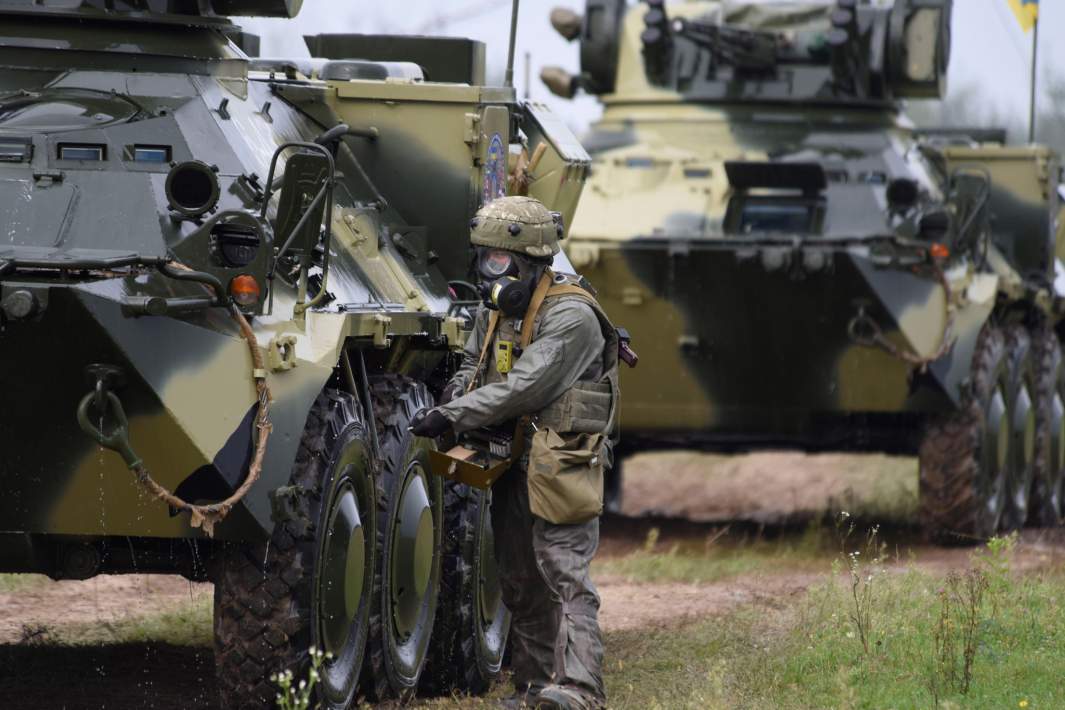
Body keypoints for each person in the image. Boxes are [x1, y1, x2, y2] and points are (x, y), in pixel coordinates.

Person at [411, 195, 620, 710]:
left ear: (531, 263)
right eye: (483, 260)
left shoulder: (571, 317)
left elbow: (522, 388)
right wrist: (454, 397)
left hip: (563, 461)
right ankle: (532, 686)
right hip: (515, 459)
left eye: (499, 262)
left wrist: (454, 416)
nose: (489, 274)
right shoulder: (501, 309)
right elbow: (474, 366)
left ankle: (580, 690)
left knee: (564, 573)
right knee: (520, 578)